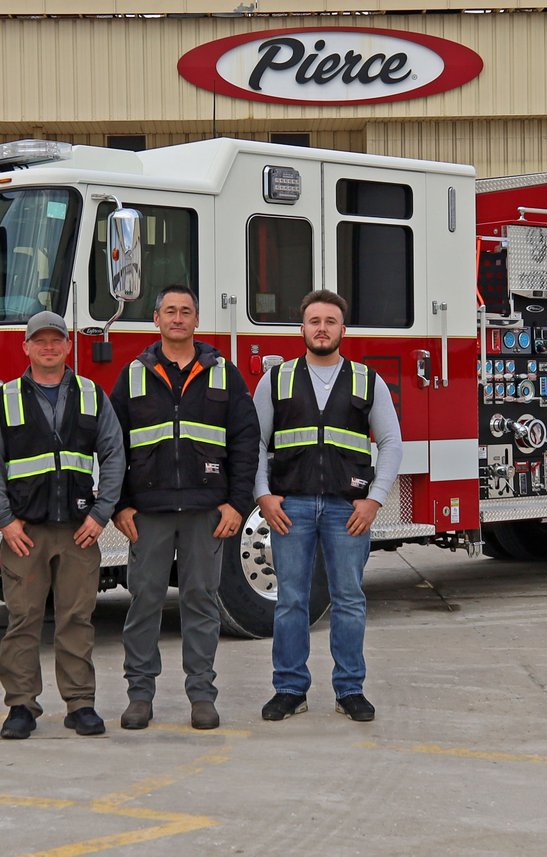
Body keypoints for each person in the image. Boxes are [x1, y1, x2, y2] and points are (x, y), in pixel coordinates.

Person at [110, 285, 260, 731]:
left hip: (205, 512)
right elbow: (111, 444)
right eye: (170, 311)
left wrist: (236, 504)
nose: (178, 318)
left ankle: (202, 695)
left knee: (200, 600)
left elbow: (246, 441)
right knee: (145, 602)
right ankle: (140, 695)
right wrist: (120, 505)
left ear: (197, 320)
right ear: (155, 319)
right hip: (149, 512)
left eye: (186, 311)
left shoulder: (223, 373)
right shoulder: (133, 374)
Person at [254, 290, 403, 723]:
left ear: (343, 329)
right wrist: (263, 494)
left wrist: (374, 499)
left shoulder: (366, 380)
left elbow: (391, 443)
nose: (322, 328)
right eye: (314, 320)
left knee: (349, 599)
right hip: (291, 507)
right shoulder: (275, 379)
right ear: (301, 329)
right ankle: (289, 689)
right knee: (291, 601)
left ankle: (350, 690)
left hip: (347, 510)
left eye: (330, 321)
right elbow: (255, 444)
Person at [0, 311, 125, 739]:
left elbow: (114, 455)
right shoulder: (4, 399)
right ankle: (21, 706)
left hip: (79, 530)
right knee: (23, 620)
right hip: (24, 532)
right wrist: (5, 521)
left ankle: (80, 704)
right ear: (25, 347)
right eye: (39, 341)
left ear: (68, 346)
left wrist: (101, 514)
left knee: (77, 619)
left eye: (56, 340)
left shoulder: (91, 394)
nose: (48, 347)